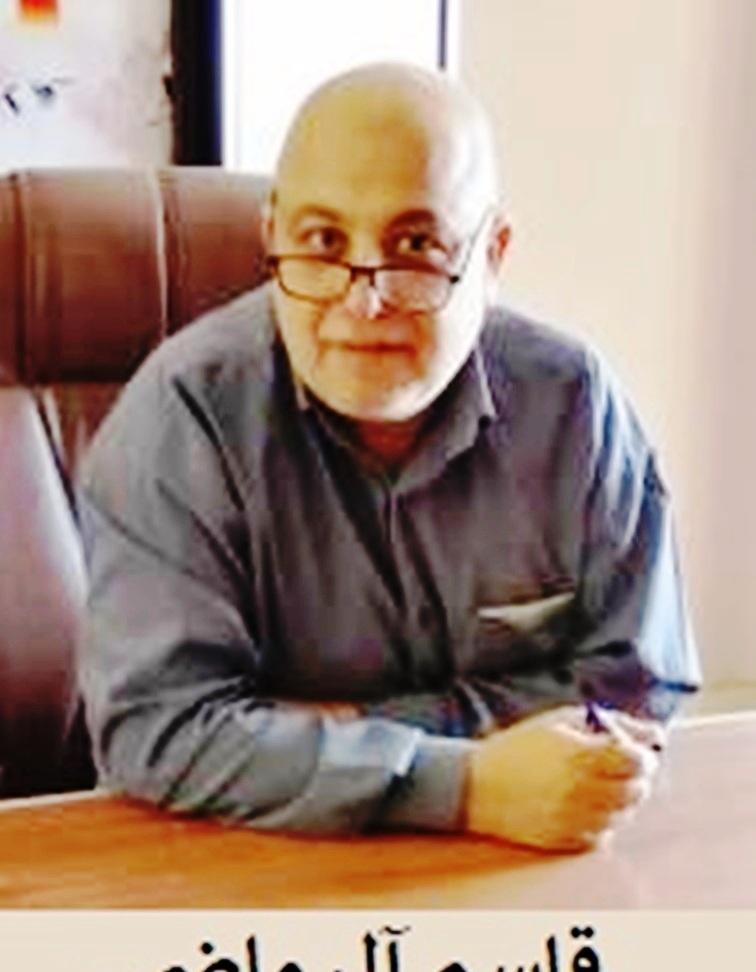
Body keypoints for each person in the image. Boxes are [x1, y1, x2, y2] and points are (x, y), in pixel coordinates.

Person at [78, 63, 700, 853]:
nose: (362, 303)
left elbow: (638, 684)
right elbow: (157, 731)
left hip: (523, 855)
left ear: (493, 256)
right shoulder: (183, 416)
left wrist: (343, 734)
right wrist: (464, 783)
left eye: (415, 245)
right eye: (323, 242)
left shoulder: (573, 404)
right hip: (257, 860)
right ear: (271, 239)